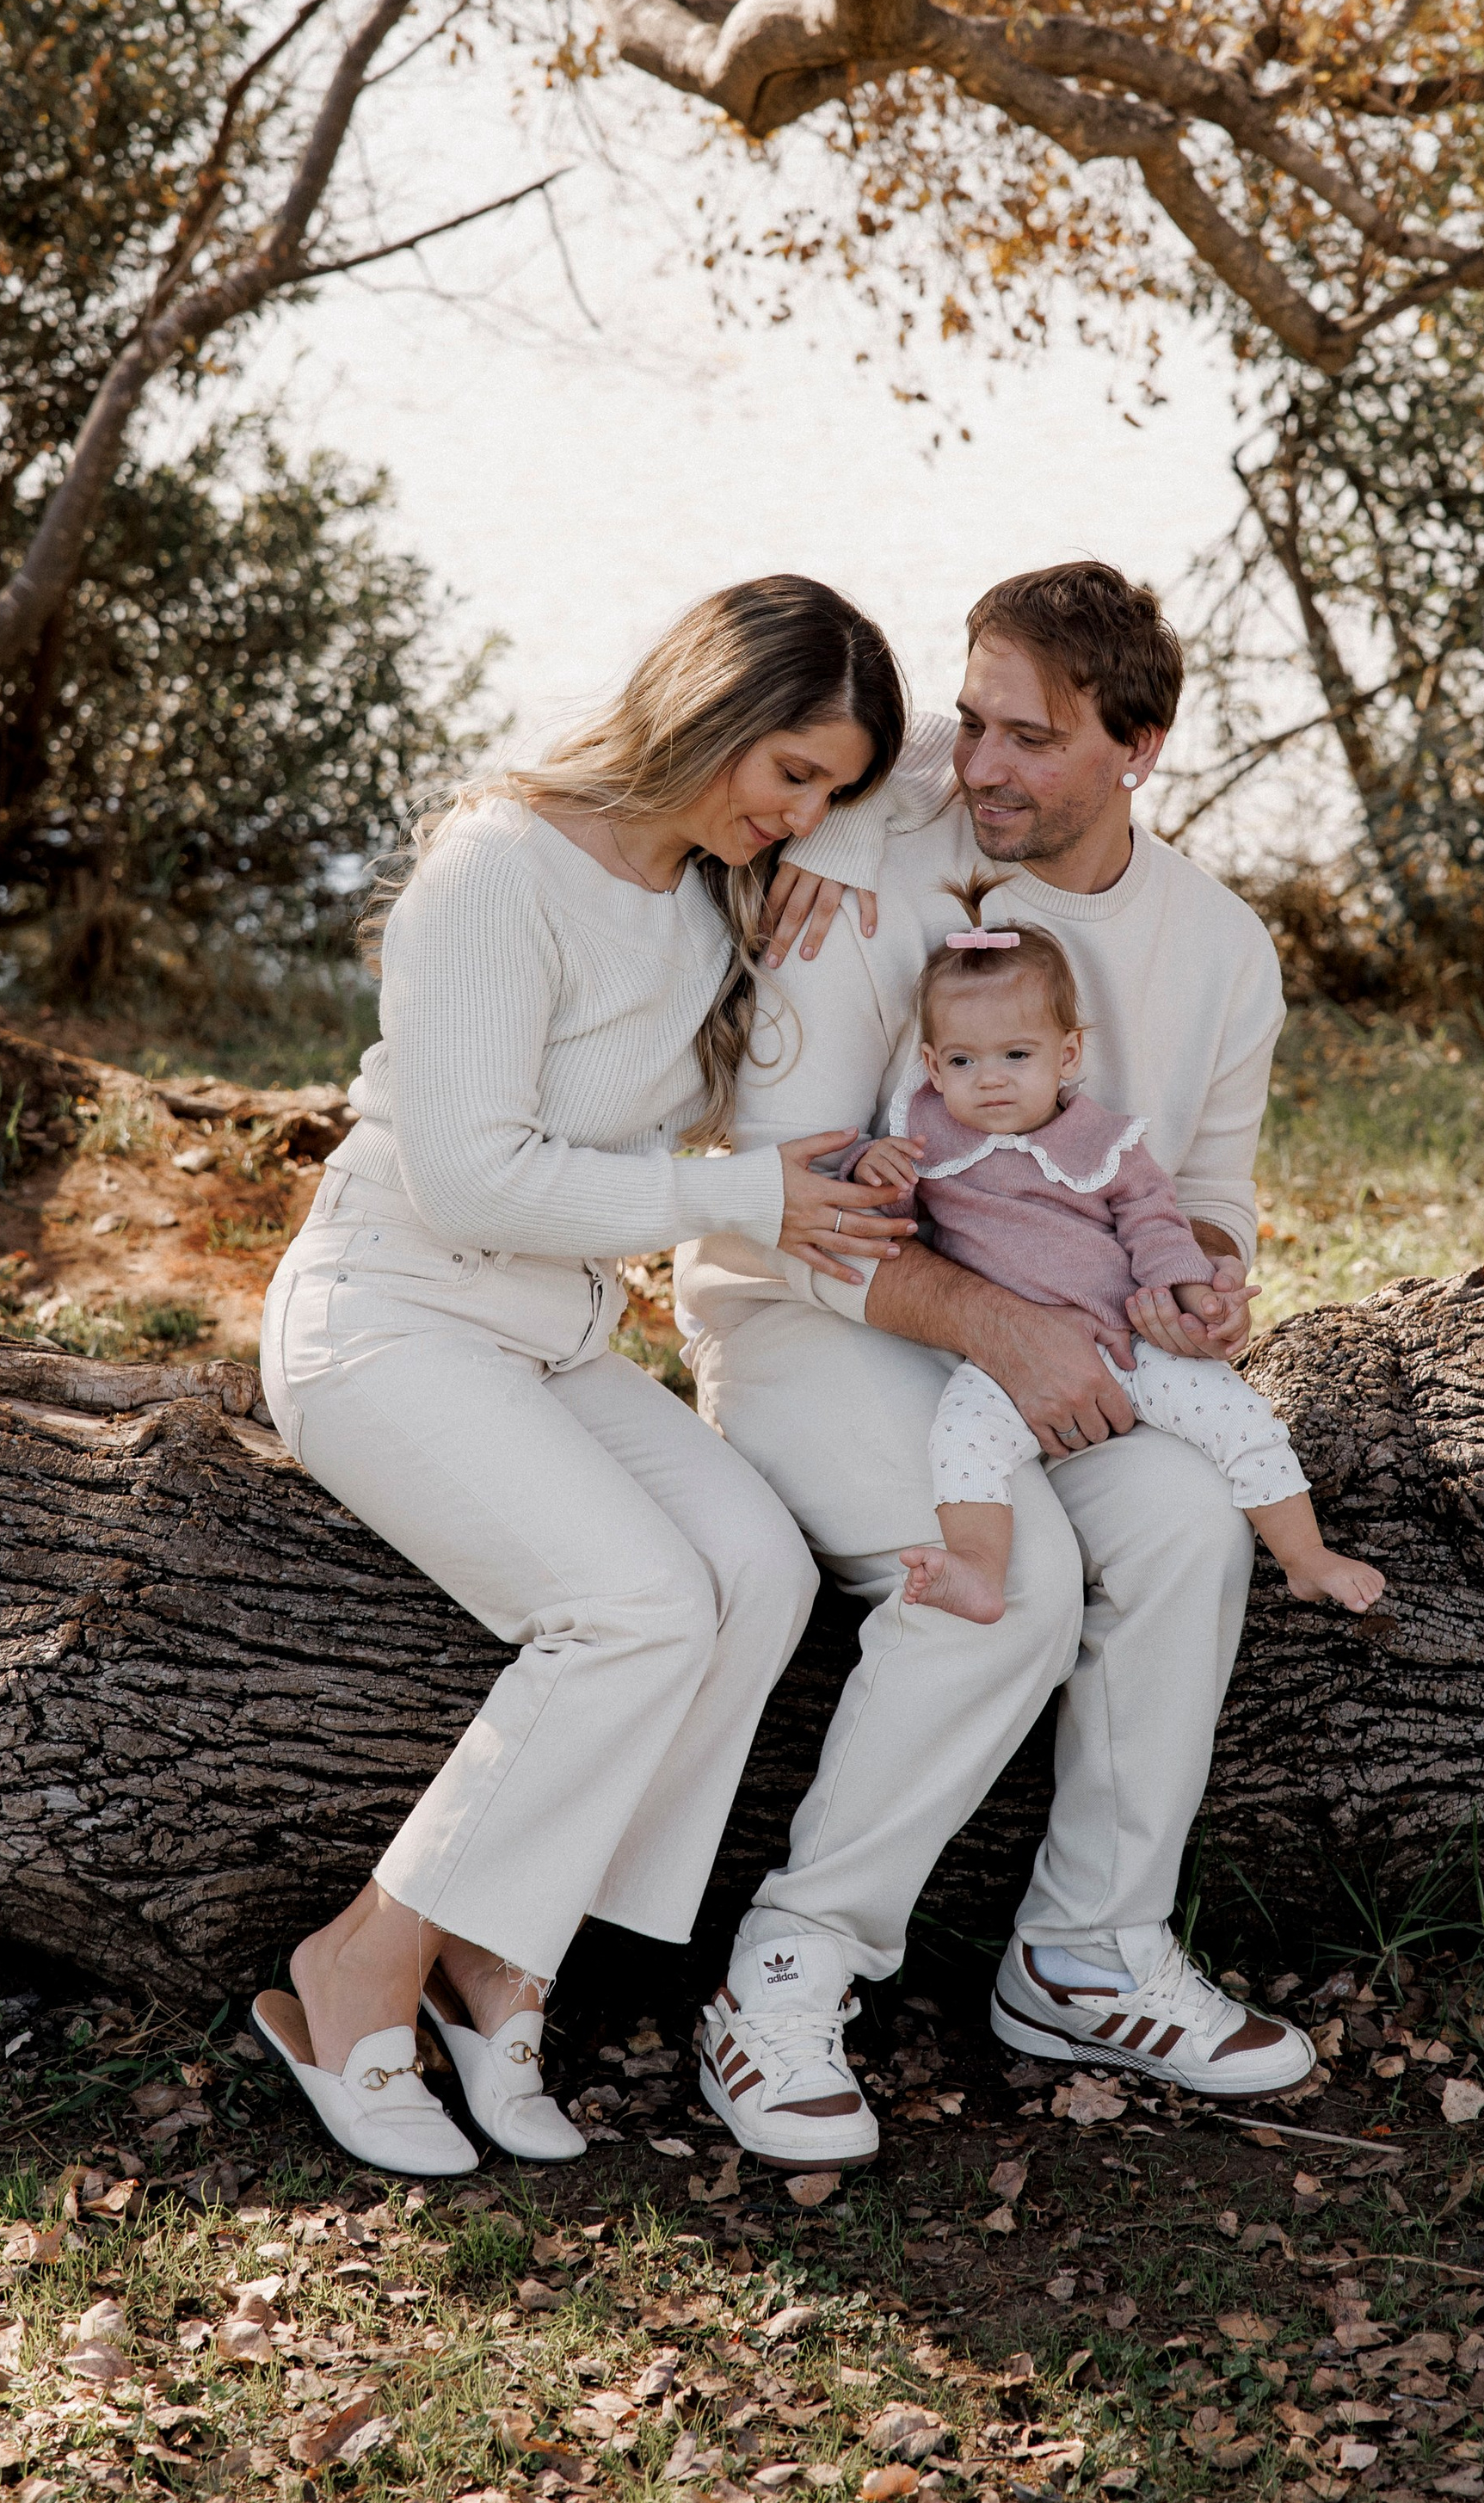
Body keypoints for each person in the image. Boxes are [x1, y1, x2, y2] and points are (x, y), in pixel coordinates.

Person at [256, 576, 914, 2175]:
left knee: (756, 1571)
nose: (802, 812)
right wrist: (736, 1196)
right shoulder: (497, 865)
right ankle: (362, 1963)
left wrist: (825, 844)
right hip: (392, 1313)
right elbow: (475, 1181)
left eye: (830, 788)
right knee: (634, 1605)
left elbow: (969, 752)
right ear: (711, 709)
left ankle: (510, 1952)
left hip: (551, 1335)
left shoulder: (708, 890)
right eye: (792, 774)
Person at [677, 559, 1323, 2171]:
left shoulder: (1226, 952)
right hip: (811, 1323)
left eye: (1032, 739)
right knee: (1008, 1580)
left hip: (1061, 1350)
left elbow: (1216, 1205)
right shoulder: (868, 862)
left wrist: (1207, 1298)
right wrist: (999, 1328)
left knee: (1184, 1523)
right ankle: (786, 1970)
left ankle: (1087, 1955)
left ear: (1139, 747)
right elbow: (787, 1202)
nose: (982, 768)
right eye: (972, 723)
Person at [831, 903, 1384, 1627]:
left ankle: (1306, 1557)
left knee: (1239, 1417)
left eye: (1016, 1056)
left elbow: (1156, 1224)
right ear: (933, 1066)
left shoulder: (1106, 1142)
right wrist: (867, 1167)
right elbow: (887, 1215)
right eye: (964, 1061)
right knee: (961, 1439)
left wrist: (1195, 1292)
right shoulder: (928, 1134)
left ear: (1067, 1057)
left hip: (1133, 1338)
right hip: (1009, 1355)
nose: (990, 1080)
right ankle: (977, 1569)